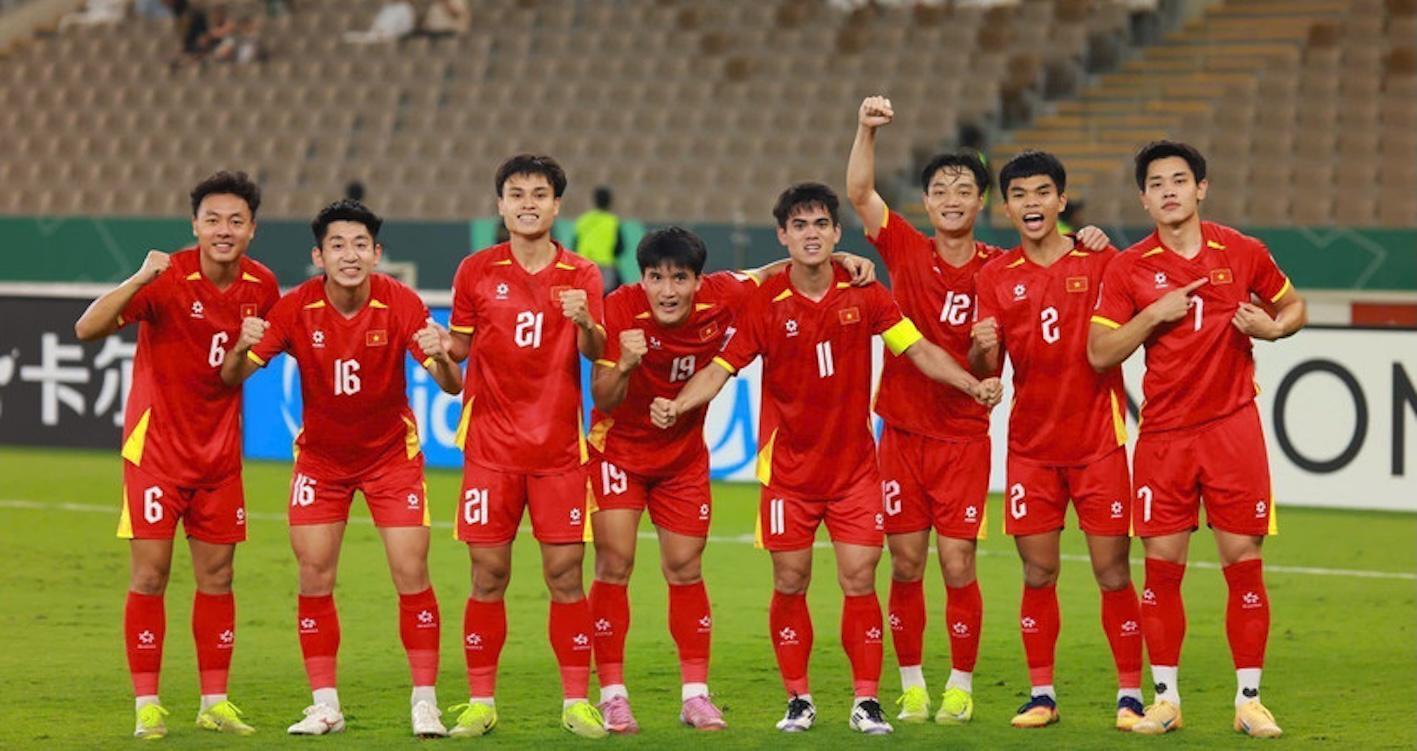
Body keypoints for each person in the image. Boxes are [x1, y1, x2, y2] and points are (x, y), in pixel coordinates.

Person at [652, 183, 1002, 736]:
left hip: (855, 473)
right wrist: (677, 404)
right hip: (788, 475)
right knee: (790, 580)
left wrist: (970, 383)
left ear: (837, 233)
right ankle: (799, 699)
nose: (810, 234)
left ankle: (867, 700)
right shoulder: (764, 304)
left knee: (860, 579)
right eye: (799, 225)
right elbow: (720, 370)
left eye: (820, 224)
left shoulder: (865, 293)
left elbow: (916, 348)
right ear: (782, 236)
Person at [846, 96, 1116, 725]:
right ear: (926, 202)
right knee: (905, 563)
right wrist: (866, 129)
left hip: (965, 437)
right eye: (940, 190)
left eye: (964, 190)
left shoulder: (1001, 268)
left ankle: (960, 685)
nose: (952, 199)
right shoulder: (906, 249)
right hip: (902, 431)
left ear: (982, 204)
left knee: (958, 563)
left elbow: (1047, 289)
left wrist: (1089, 239)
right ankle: (912, 685)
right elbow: (859, 192)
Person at [585, 227, 878, 733]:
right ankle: (613, 695)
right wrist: (627, 364)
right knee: (614, 564)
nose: (668, 291)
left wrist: (840, 258)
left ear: (699, 281)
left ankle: (695, 696)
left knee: (685, 568)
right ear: (643, 279)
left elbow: (772, 272)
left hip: (682, 458)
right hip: (618, 453)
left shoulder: (726, 294)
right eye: (656, 278)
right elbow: (603, 396)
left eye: (680, 278)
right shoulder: (619, 307)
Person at [1088, 141, 1306, 739]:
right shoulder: (1127, 267)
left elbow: (1294, 306)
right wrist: (1152, 316)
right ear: (1143, 198)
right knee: (1162, 569)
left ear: (1201, 188)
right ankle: (1166, 701)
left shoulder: (1242, 251)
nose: (1169, 191)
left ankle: (1249, 702)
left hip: (1233, 429)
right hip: (1164, 436)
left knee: (1244, 562)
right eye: (1156, 183)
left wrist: (1274, 328)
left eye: (1179, 180)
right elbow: (1100, 352)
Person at [220, 199, 462, 737]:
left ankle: (425, 702)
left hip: (391, 459)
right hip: (321, 463)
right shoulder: (295, 308)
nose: (349, 255)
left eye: (359, 245)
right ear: (319, 256)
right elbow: (232, 377)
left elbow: (452, 386)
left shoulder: (400, 302)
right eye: (337, 246)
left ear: (377, 254)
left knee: (411, 572)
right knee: (314, 576)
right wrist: (240, 346)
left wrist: (443, 355)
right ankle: (325, 705)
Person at [74, 171, 279, 740]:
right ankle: (147, 704)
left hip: (219, 457)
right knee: (150, 575)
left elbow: (235, 373)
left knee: (219, 576)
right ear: (195, 225)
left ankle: (215, 701)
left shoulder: (263, 285)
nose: (223, 230)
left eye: (235, 220)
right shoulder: (167, 278)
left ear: (252, 229)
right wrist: (140, 275)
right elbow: (87, 328)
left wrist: (244, 348)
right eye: (212, 219)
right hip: (156, 454)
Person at [971, 150, 1145, 731]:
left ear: (1061, 201)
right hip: (1031, 449)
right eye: (1019, 194)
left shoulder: (1101, 261)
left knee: (1113, 572)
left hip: (1098, 444)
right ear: (1006, 207)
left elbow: (1135, 316)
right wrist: (980, 349)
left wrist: (1102, 243)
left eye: (1042, 192)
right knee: (1038, 572)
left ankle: (1130, 694)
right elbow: (986, 365)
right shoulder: (995, 277)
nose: (1032, 203)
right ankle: (1041, 694)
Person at [443, 154, 609, 739]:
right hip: (490, 450)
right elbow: (457, 352)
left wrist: (587, 321)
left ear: (557, 205)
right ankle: (480, 702)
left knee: (565, 576)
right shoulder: (475, 271)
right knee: (487, 575)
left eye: (540, 194)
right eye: (516, 194)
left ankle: (576, 703)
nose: (528, 203)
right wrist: (436, 347)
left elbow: (597, 352)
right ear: (501, 205)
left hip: (559, 452)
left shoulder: (583, 274)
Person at [574, 186, 624, 293]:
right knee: (607, 296)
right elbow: (620, 247)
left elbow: (574, 246)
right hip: (605, 266)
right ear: (610, 202)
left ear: (594, 200)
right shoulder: (612, 221)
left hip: (585, 266)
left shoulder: (582, 221)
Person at [343, 0, 415, 44]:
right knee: (348, 36)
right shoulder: (388, 6)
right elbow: (377, 23)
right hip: (375, 35)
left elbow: (407, 29)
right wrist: (377, 31)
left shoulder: (406, 8)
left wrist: (389, 35)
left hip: (389, 38)